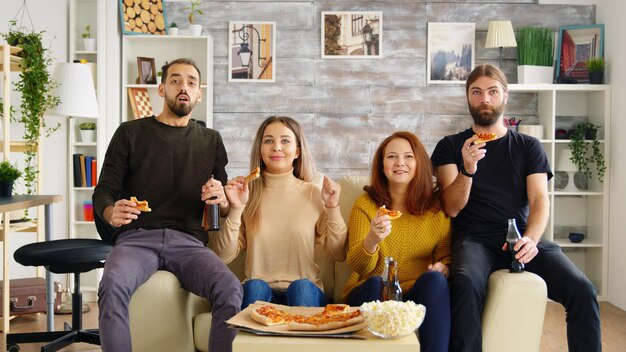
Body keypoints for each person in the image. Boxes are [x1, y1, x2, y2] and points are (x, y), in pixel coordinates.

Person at [431, 64, 601, 352]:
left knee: (583, 290)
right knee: (465, 283)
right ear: (468, 97)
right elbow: (452, 208)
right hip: (473, 240)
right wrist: (468, 170)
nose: (485, 99)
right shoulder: (450, 146)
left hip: (520, 237)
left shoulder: (528, 146)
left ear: (505, 95)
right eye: (477, 92)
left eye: (492, 92)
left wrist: (532, 239)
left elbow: (539, 201)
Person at [93, 58, 242, 352]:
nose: (183, 87)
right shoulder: (130, 132)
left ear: (199, 94)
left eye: (191, 82)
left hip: (189, 243)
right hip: (136, 239)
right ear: (161, 89)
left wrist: (222, 198)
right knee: (111, 286)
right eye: (175, 80)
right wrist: (112, 212)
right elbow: (104, 191)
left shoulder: (211, 140)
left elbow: (221, 207)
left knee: (230, 288)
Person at [213, 116, 347, 309]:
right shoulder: (248, 194)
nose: (276, 147)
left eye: (285, 141)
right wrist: (235, 208)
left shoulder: (315, 193)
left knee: (300, 287)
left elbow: (339, 253)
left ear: (297, 151)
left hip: (306, 292)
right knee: (254, 287)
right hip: (259, 290)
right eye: (268, 141)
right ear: (260, 149)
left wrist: (333, 208)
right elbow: (221, 257)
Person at [342, 131, 452, 352]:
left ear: (419, 163)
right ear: (382, 166)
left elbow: (445, 256)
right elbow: (357, 265)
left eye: (408, 156)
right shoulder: (365, 205)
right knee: (375, 283)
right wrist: (372, 239)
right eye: (391, 156)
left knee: (435, 281)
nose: (400, 163)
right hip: (370, 290)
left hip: (414, 293)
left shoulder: (436, 209)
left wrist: (444, 268)